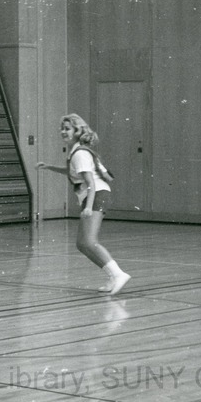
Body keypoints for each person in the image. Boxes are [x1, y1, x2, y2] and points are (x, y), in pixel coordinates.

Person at [37, 114, 130, 295]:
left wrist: (88, 207)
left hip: (96, 195)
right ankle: (113, 276)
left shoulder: (79, 154)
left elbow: (91, 183)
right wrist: (48, 166)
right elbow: (73, 173)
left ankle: (118, 274)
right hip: (94, 196)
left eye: (67, 129)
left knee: (89, 241)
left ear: (77, 131)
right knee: (82, 243)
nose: (63, 132)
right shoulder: (77, 152)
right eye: (62, 128)